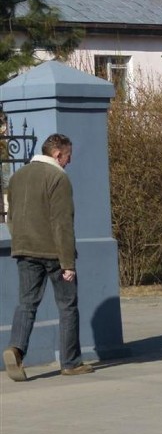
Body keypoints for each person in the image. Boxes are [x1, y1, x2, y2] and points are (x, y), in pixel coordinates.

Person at [3, 134, 93, 381]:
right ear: (57, 154)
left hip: (24, 249)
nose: (69, 161)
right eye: (67, 156)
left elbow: (11, 217)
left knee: (27, 304)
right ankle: (71, 362)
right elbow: (62, 223)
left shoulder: (18, 176)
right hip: (53, 252)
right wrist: (68, 263)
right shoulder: (58, 178)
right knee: (67, 306)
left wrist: (21, 240)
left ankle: (16, 349)